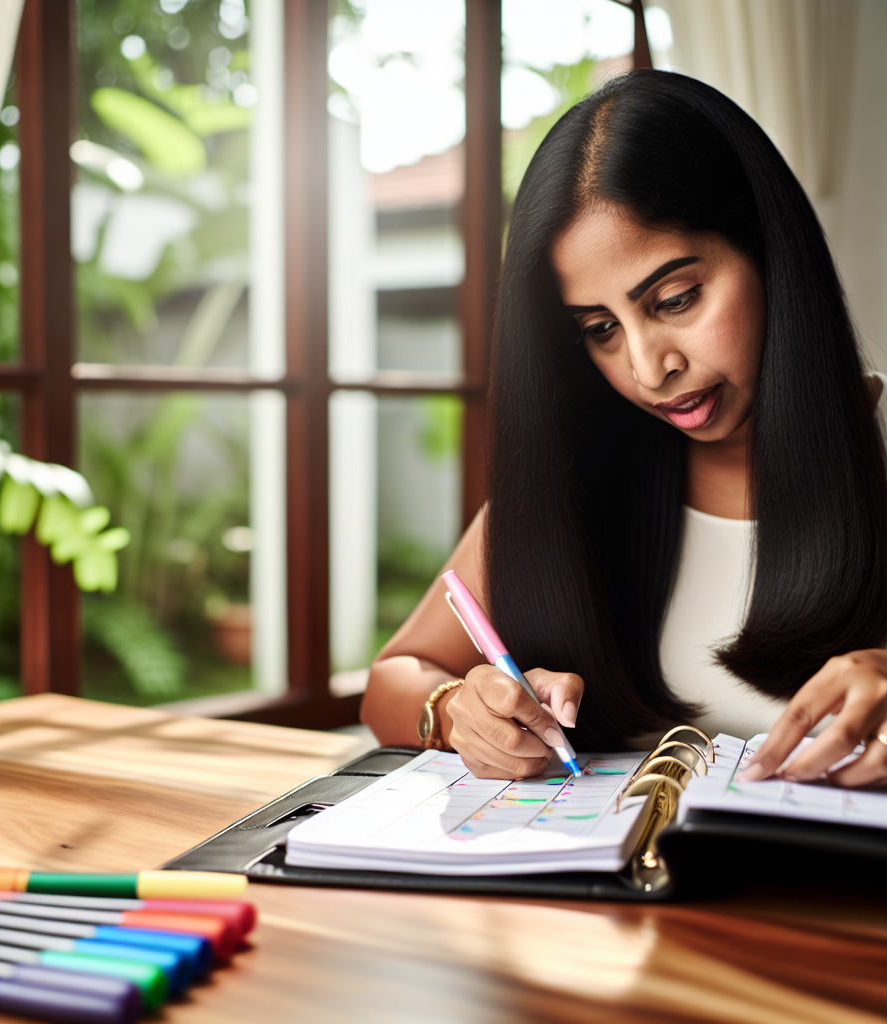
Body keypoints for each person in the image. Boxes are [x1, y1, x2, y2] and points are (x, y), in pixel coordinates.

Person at [360, 70, 887, 789]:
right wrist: (456, 710)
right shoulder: (579, 478)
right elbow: (394, 676)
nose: (648, 367)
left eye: (675, 298)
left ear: (770, 253)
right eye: (601, 329)